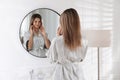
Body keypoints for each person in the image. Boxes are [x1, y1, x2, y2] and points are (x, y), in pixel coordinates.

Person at [46, 8, 88, 80]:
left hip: (61, 74)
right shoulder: (84, 41)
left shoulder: (57, 41)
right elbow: (81, 59)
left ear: (63, 23)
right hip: (77, 73)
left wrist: (58, 37)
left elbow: (52, 59)